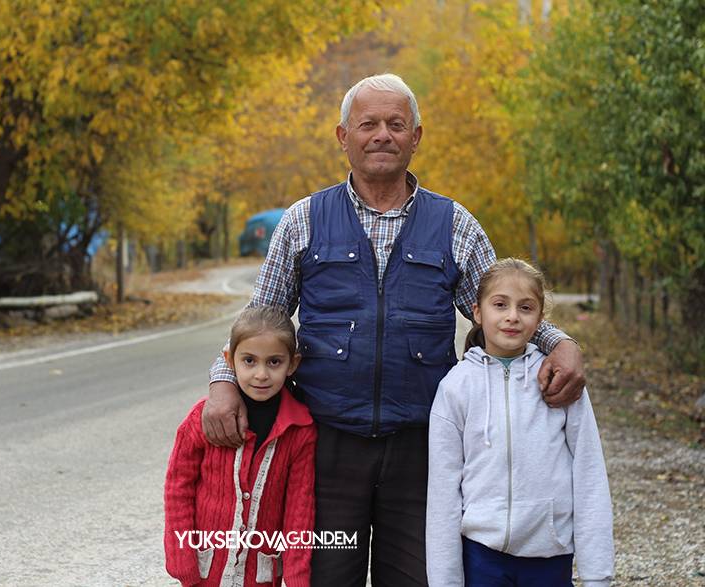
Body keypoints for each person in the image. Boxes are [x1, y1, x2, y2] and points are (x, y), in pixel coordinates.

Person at [205, 73, 587, 585]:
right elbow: (261, 317)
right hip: (326, 449)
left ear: (416, 137)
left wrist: (560, 343)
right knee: (324, 576)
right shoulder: (303, 221)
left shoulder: (455, 224)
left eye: (395, 124)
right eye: (368, 124)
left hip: (424, 449)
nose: (382, 134)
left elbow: (503, 307)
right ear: (344, 137)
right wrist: (223, 381)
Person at [426, 258, 614, 586]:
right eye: (500, 305)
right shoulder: (456, 388)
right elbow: (443, 493)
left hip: (549, 555)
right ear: (478, 312)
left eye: (526, 308)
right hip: (481, 556)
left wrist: (597, 575)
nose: (513, 316)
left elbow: (589, 474)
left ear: (540, 319)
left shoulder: (558, 381)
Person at [164, 306, 317, 586]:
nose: (261, 374)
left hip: (261, 574)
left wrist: (297, 579)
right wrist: (180, 555)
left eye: (274, 362)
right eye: (249, 361)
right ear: (229, 360)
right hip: (205, 569)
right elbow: (178, 488)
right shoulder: (203, 419)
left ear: (292, 364)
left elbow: (300, 512)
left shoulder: (300, 430)